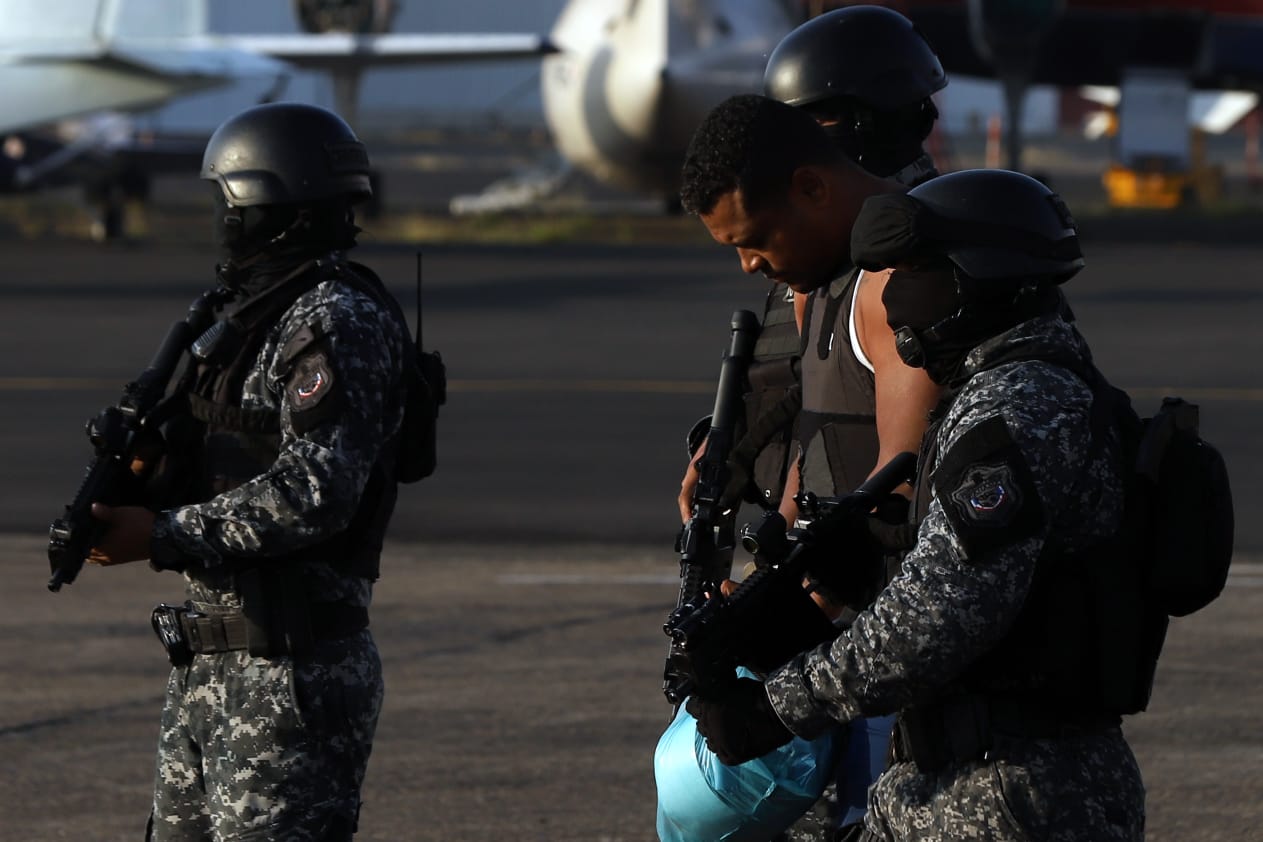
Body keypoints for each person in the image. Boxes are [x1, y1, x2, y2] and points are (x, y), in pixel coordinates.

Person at [686, 168, 1148, 841]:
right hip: (949, 775)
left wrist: (772, 706)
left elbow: (941, 614)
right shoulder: (989, 396)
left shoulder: (1019, 409)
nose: (895, 300)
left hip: (1010, 791)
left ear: (975, 277)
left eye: (911, 272)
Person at [83, 101, 410, 841]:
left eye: (227, 202)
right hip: (208, 664)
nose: (221, 221)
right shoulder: (253, 316)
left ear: (269, 205)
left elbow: (316, 491)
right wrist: (154, 475)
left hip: (292, 673)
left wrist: (161, 532)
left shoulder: (331, 319)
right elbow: (242, 459)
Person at [668, 93, 948, 840]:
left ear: (813, 188)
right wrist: (756, 596)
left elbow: (905, 517)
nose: (747, 262)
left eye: (755, 238)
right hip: (851, 659)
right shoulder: (822, 278)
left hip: (896, 673)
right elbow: (819, 458)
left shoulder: (895, 282)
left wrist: (783, 658)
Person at [677, 4, 950, 528]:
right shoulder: (820, 264)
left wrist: (805, 595)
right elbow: (818, 426)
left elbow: (900, 496)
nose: (750, 264)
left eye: (812, 123)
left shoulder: (908, 273)